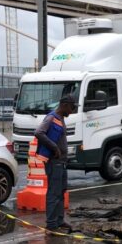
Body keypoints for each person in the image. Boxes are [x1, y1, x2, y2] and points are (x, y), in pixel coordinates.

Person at [35, 94, 77, 232]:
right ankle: (52, 224)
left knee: (61, 192)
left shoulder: (60, 119)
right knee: (54, 193)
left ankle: (59, 221)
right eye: (71, 107)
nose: (72, 110)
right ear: (65, 105)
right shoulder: (51, 118)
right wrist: (54, 147)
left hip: (62, 162)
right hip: (54, 163)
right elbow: (39, 133)